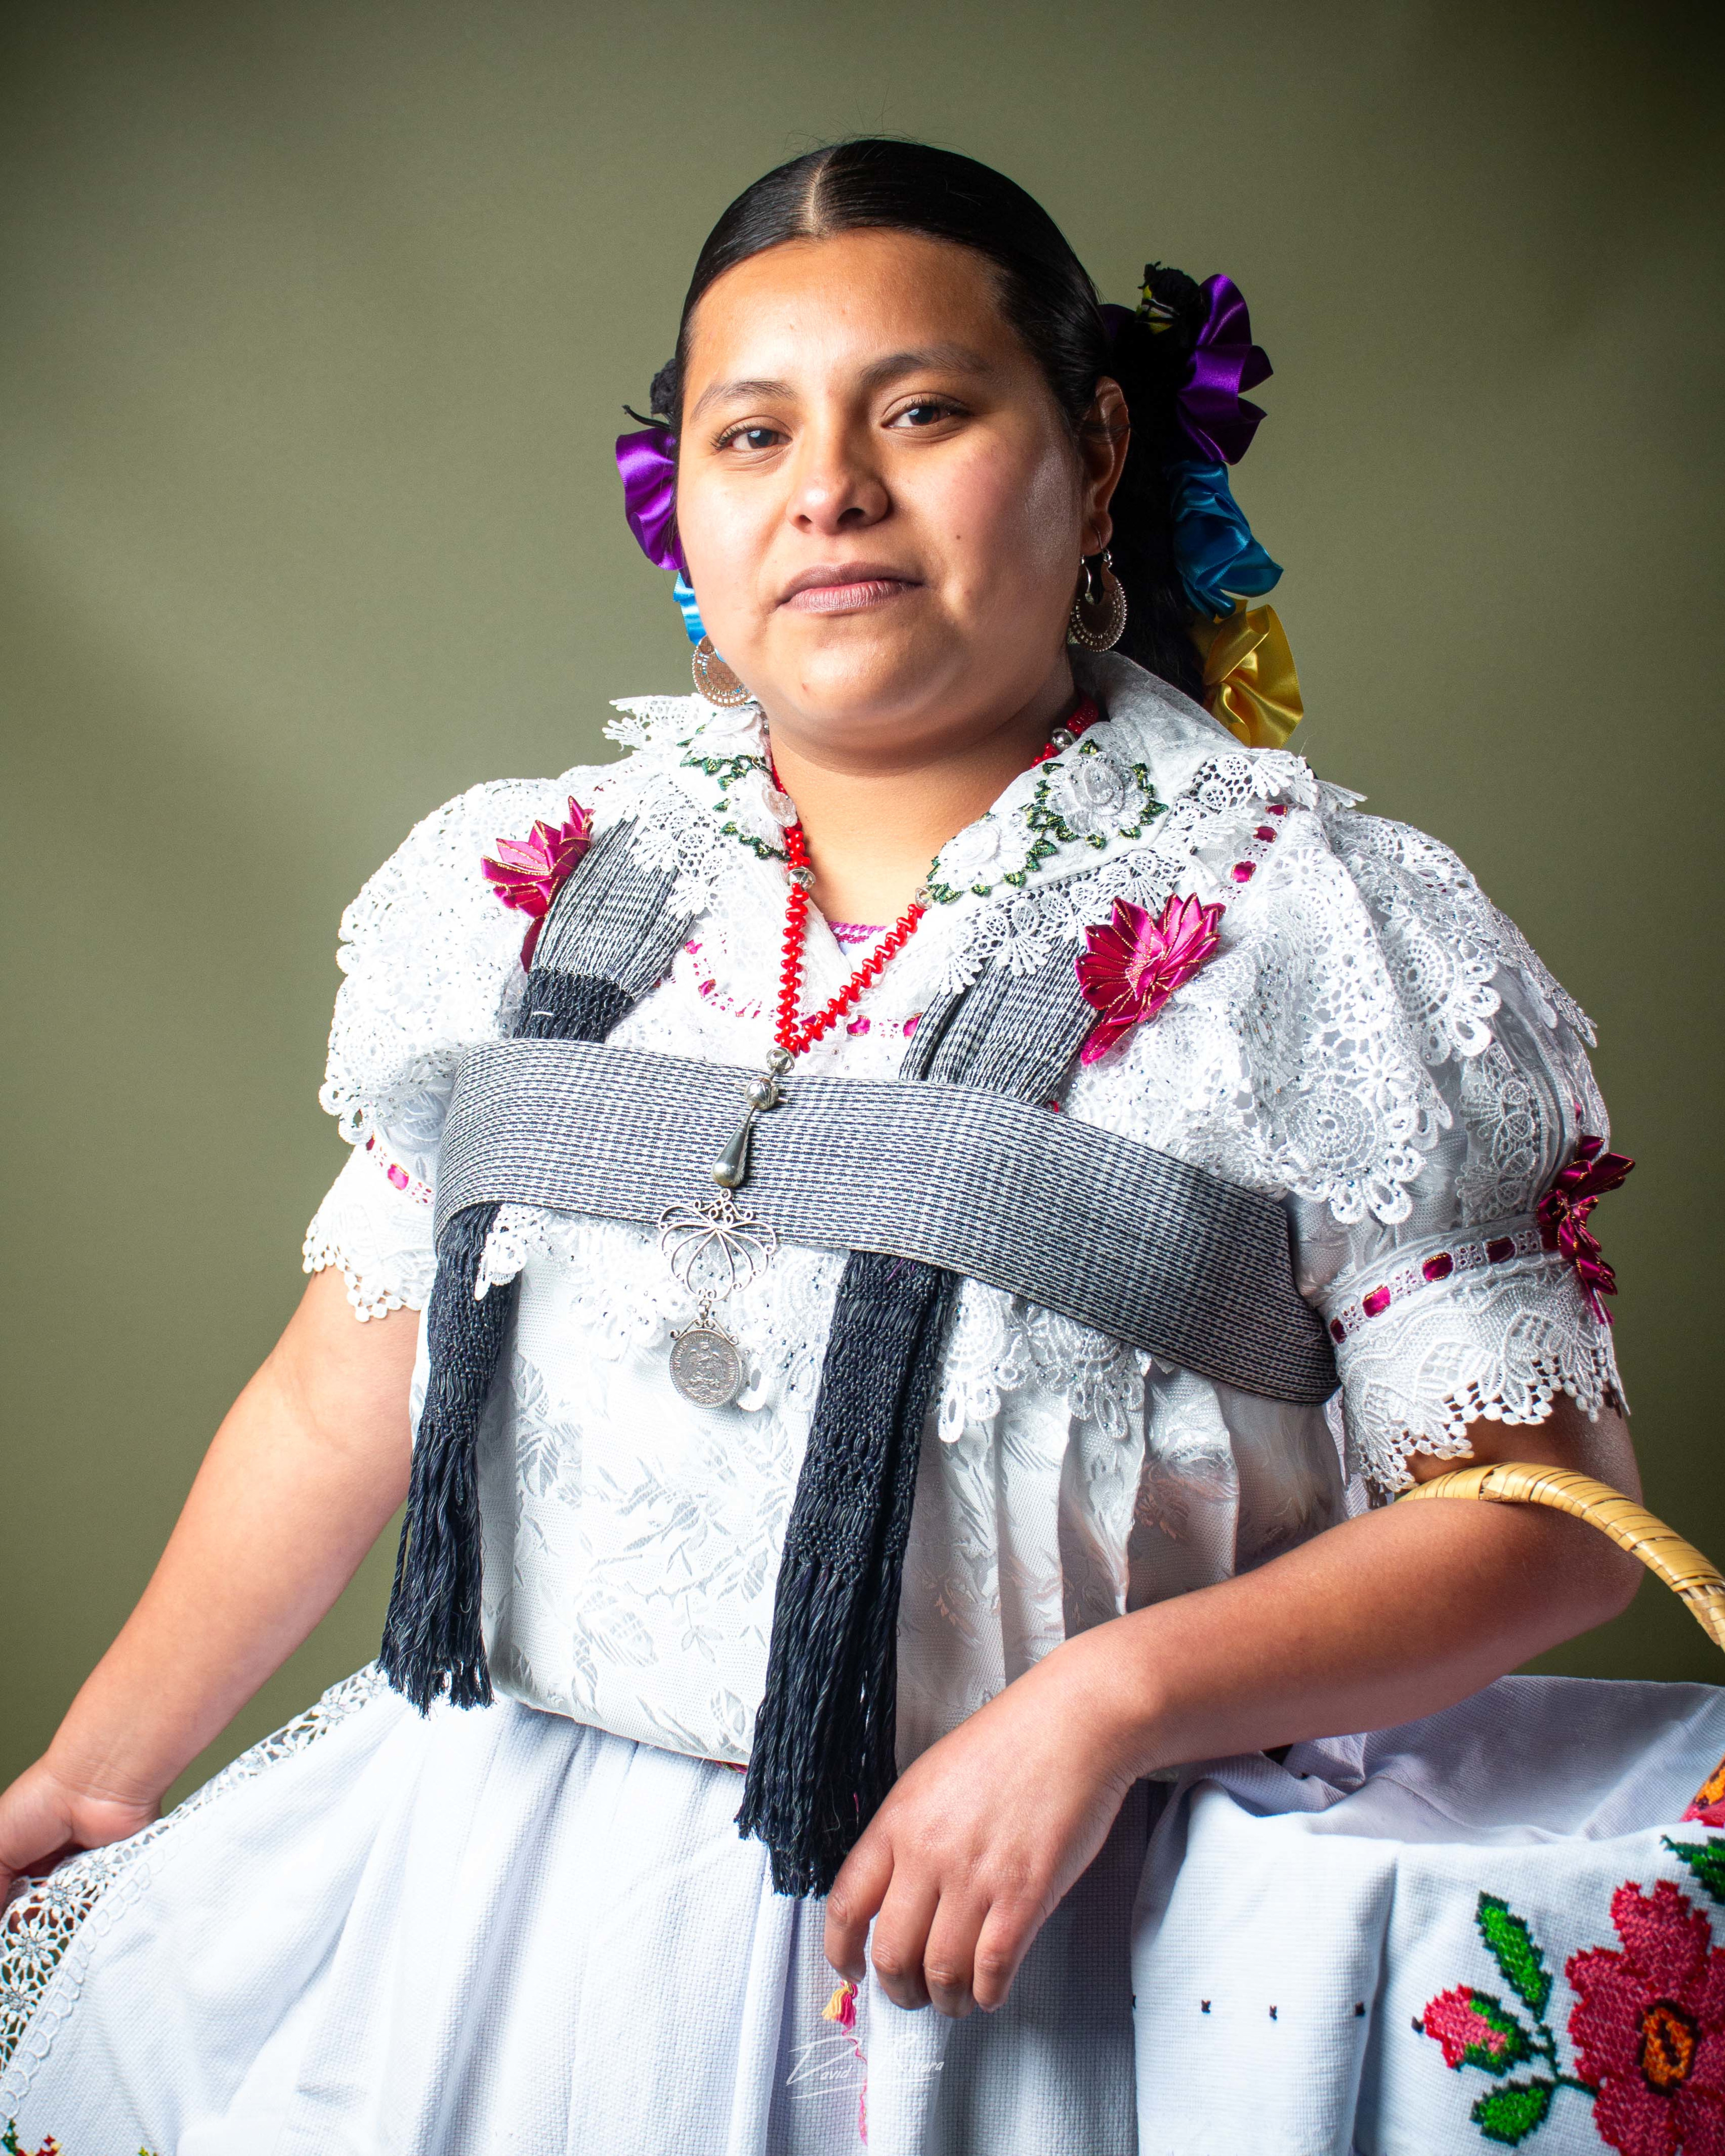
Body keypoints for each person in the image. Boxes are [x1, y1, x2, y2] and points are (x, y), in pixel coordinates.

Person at [0, 138, 1706, 2156]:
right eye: (754, 433)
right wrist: (93, 1779)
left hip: (1054, 1944)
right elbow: (338, 1396)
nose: (830, 490)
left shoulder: (1315, 936)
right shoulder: (524, 896)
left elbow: (1545, 1515)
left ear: (1088, 449)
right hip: (506, 1916)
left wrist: (1104, 1703)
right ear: (685, 508)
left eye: (922, 409)